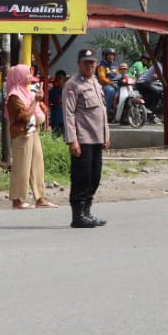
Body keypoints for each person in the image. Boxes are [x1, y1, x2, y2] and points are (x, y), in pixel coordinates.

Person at [62, 49, 110, 229]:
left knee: (94, 177)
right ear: (79, 63)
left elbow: (102, 112)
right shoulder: (73, 84)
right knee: (81, 177)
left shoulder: (96, 83)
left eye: (92, 62)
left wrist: (106, 135)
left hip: (97, 137)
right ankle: (78, 215)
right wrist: (72, 140)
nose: (90, 65)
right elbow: (68, 114)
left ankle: (87, 212)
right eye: (86, 62)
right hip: (82, 138)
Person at [6, 63, 57, 210]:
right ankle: (17, 200)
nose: (29, 77)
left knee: (37, 163)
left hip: (32, 131)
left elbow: (39, 110)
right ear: (19, 76)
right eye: (27, 74)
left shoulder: (26, 92)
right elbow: (24, 117)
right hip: (22, 133)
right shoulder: (14, 96)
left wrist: (39, 101)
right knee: (21, 166)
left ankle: (40, 198)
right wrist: (36, 100)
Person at [48, 70, 68, 137]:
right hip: (56, 119)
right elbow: (57, 100)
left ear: (65, 79)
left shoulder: (69, 89)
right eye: (57, 78)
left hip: (66, 120)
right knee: (56, 138)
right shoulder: (53, 90)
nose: (58, 80)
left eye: (60, 78)